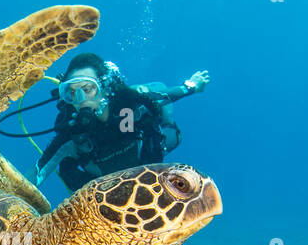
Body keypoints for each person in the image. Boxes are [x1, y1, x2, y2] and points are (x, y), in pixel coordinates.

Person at [33, 53, 209, 192]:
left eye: (88, 89)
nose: (81, 100)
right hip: (106, 181)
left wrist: (191, 86)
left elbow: (166, 96)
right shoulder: (72, 131)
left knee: (171, 132)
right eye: (72, 93)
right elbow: (38, 172)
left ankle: (164, 116)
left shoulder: (128, 107)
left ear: (104, 87)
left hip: (143, 156)